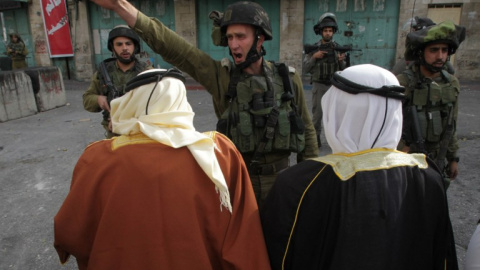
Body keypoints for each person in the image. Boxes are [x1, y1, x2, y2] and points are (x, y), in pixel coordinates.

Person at [90, 0, 319, 208]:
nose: (234, 44)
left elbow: (307, 132)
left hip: (281, 182)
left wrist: (308, 185)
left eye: (241, 36)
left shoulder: (287, 78)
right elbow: (176, 48)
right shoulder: (222, 77)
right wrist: (122, 7)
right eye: (229, 37)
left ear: (259, 38)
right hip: (236, 182)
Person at [54, 69, 271, 270]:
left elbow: (70, 234)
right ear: (181, 102)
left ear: (131, 101)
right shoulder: (220, 154)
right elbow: (245, 241)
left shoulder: (96, 158)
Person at [261, 64, 459, 270]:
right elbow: (443, 258)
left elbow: (275, 258)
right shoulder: (428, 177)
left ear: (336, 110)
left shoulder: (298, 184)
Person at [397, 21, 465, 184]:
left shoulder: (451, 83)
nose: (440, 56)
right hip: (407, 157)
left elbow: (451, 124)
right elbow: (389, 125)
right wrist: (400, 150)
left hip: (437, 158)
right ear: (420, 53)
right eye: (434, 50)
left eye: (444, 50)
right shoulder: (403, 83)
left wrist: (453, 158)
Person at [82, 25, 151, 138]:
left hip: (140, 132)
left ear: (135, 47)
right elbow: (87, 99)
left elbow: (157, 103)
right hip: (113, 133)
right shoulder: (104, 73)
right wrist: (98, 99)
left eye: (128, 44)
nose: (124, 48)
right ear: (112, 48)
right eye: (119, 44)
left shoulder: (147, 72)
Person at [303, 12, 346, 147]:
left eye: (330, 31)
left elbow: (343, 71)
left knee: (335, 115)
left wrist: (341, 61)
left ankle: (335, 141)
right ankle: (315, 139)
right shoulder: (314, 48)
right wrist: (314, 57)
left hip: (334, 86)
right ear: (321, 32)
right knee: (317, 115)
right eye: (325, 31)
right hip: (319, 85)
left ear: (333, 32)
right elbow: (305, 69)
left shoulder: (337, 48)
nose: (328, 33)